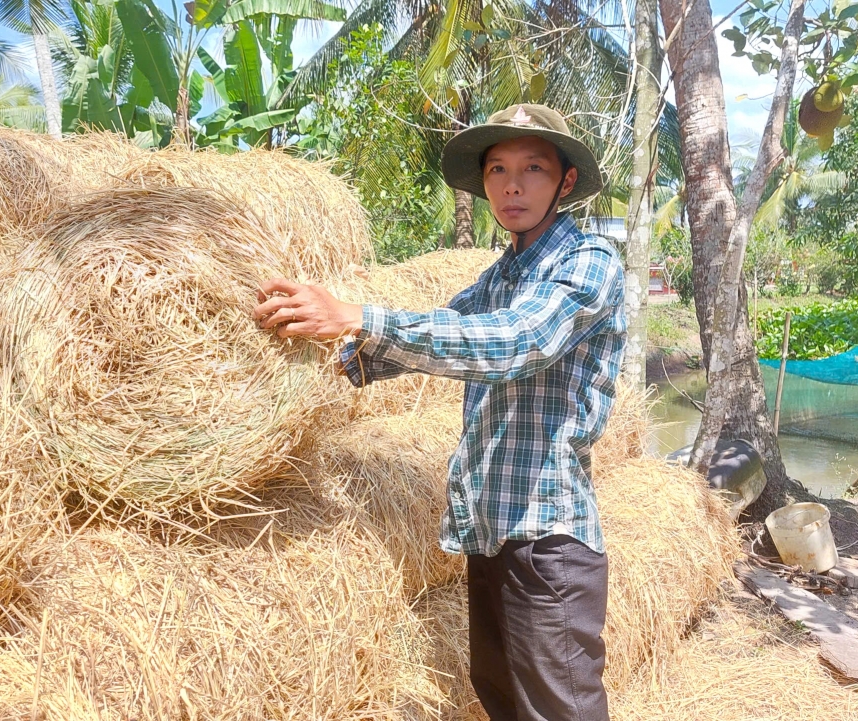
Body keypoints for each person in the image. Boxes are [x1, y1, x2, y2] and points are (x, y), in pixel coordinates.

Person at [251, 103, 627, 721]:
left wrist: (357, 316)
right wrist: (320, 360)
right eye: (498, 169)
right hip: (491, 529)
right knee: (499, 696)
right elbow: (446, 329)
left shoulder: (587, 262)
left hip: (548, 538)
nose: (512, 185)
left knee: (559, 710)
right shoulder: (499, 276)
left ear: (565, 182)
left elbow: (515, 341)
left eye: (533, 168)